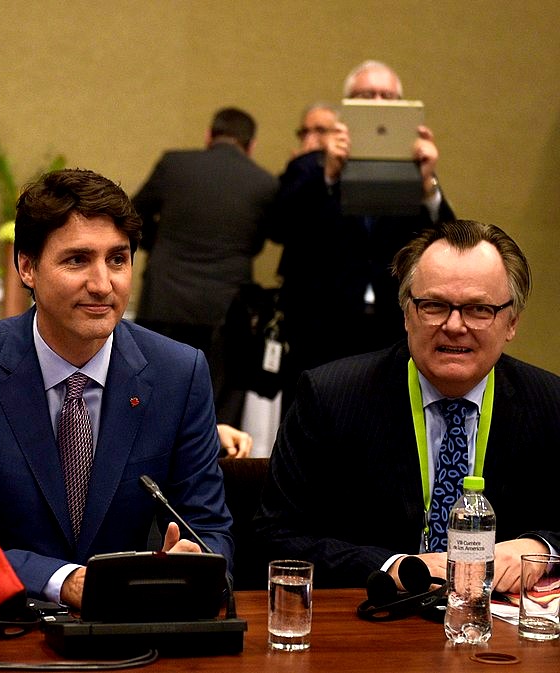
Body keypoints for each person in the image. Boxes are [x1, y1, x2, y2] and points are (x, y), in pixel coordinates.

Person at [0, 168, 235, 608]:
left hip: (138, 629)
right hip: (7, 628)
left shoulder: (178, 372)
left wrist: (192, 562)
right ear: (27, 266)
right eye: (77, 260)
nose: (103, 284)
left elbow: (212, 527)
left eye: (117, 260)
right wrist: (63, 581)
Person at [255, 220, 559, 592]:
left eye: (479, 309)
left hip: (497, 631)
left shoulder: (550, 403)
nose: (454, 325)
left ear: (511, 321)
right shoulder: (330, 397)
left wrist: (542, 547)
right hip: (373, 627)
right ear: (406, 313)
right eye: (434, 305)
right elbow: (275, 537)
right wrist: (393, 568)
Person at [270, 61, 455, 413]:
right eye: (366, 95)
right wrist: (329, 175)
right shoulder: (310, 166)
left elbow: (445, 245)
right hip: (318, 329)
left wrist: (427, 184)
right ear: (346, 107)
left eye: (388, 96)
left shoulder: (412, 171)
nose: (378, 103)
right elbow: (280, 228)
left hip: (390, 330)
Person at [133, 108, 277, 422]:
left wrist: (156, 245)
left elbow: (131, 215)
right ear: (250, 145)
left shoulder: (173, 165)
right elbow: (265, 238)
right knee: (213, 413)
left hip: (164, 303)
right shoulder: (264, 183)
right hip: (225, 312)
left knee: (153, 405)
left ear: (209, 135)